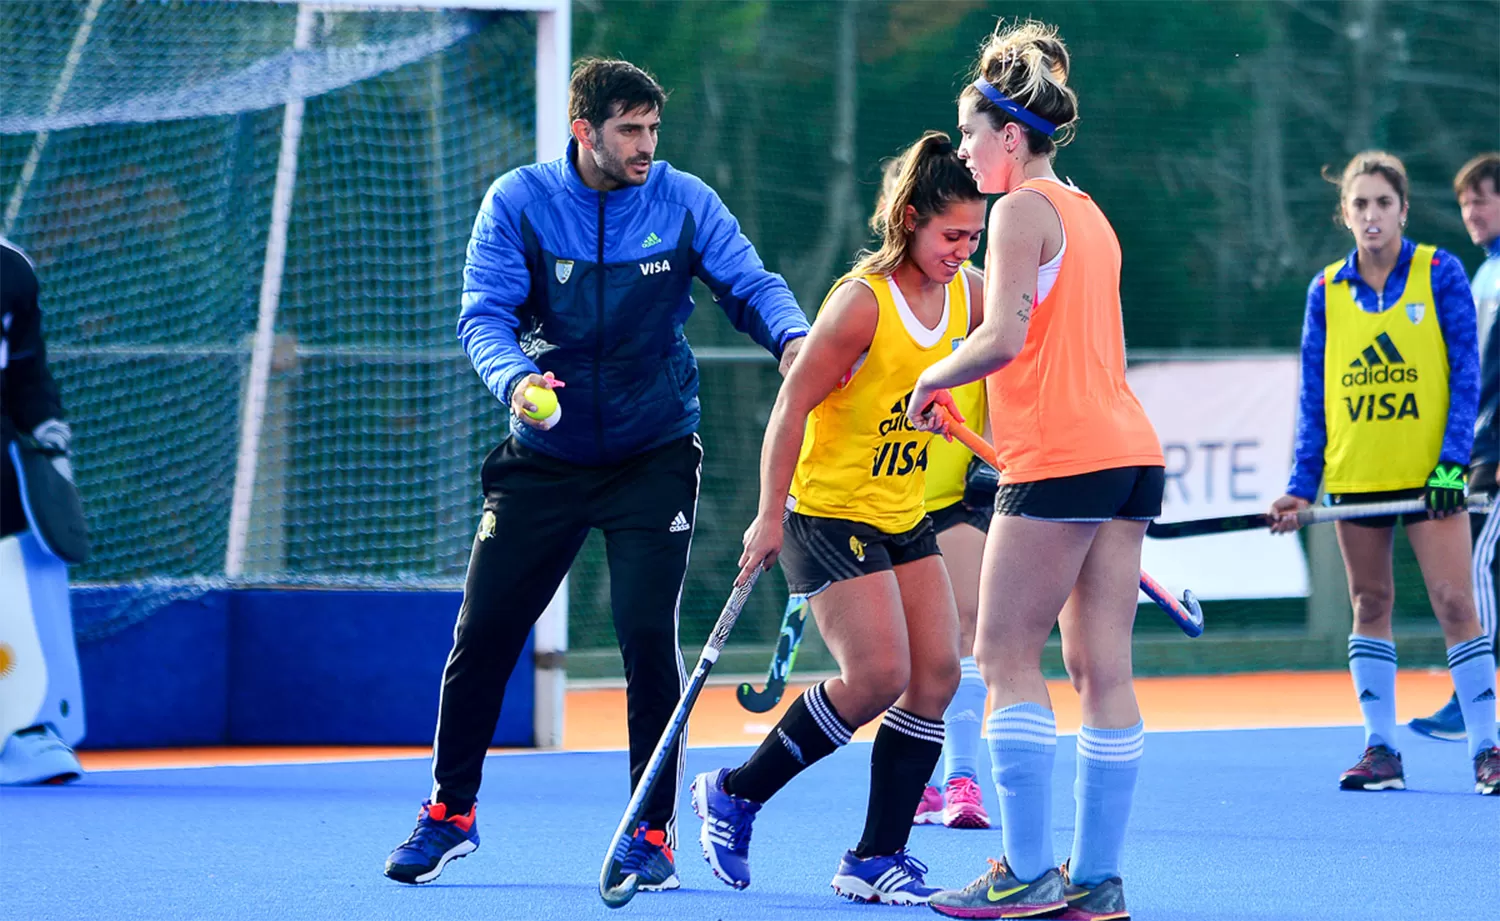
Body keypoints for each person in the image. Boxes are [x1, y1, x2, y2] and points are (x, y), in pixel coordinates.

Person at [382, 58, 811, 886]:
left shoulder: (684, 200)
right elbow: (483, 315)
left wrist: (795, 342)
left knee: (648, 637)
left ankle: (650, 834)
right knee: (484, 633)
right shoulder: (520, 201)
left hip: (653, 452)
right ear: (585, 130)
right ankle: (449, 812)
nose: (646, 144)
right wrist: (517, 380)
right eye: (629, 130)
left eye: (653, 128)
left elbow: (750, 283)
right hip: (543, 457)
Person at [911, 20, 1167, 920]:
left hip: (1060, 460)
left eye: (973, 133)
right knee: (1102, 666)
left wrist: (930, 377)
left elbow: (1005, 335)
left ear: (1010, 136)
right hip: (1130, 455)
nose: (968, 150)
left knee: (1004, 650)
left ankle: (1023, 871)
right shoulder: (1092, 214)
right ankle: (1096, 881)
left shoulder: (1020, 209)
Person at [691, 131, 985, 905]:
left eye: (974, 236)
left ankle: (874, 856)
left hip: (900, 511)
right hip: (826, 513)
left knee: (938, 675)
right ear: (911, 219)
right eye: (952, 234)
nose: (963, 249)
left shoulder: (970, 292)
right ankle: (735, 792)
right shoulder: (862, 301)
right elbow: (791, 409)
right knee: (879, 675)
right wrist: (766, 516)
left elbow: (1001, 354)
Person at [1267, 151, 1499, 797]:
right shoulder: (1326, 291)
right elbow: (1315, 395)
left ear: (1403, 209)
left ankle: (1488, 747)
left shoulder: (1440, 271)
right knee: (1370, 603)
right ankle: (1382, 748)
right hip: (1357, 471)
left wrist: (1453, 464)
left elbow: (1466, 377)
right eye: (1360, 204)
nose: (1372, 215)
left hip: (1432, 477)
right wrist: (1300, 485)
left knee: (1457, 603)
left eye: (1384, 203)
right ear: (1346, 214)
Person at [1411, 153, 1500, 743]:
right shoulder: (1483, 274)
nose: (1471, 210)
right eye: (1465, 201)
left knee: (1480, 567)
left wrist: (1488, 452)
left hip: (1492, 453)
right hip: (1480, 447)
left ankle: (1473, 696)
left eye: (1482, 199)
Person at [0, 236, 87, 786]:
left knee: (18, 565)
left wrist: (44, 428)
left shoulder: (11, 268)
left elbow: (26, 371)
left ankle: (23, 727)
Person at [911, 388, 997, 832]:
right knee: (909, 645)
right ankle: (918, 783)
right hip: (889, 496)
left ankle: (962, 779)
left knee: (966, 624)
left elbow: (1002, 373)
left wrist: (987, 455)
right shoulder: (867, 316)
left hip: (959, 494)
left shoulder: (979, 316)